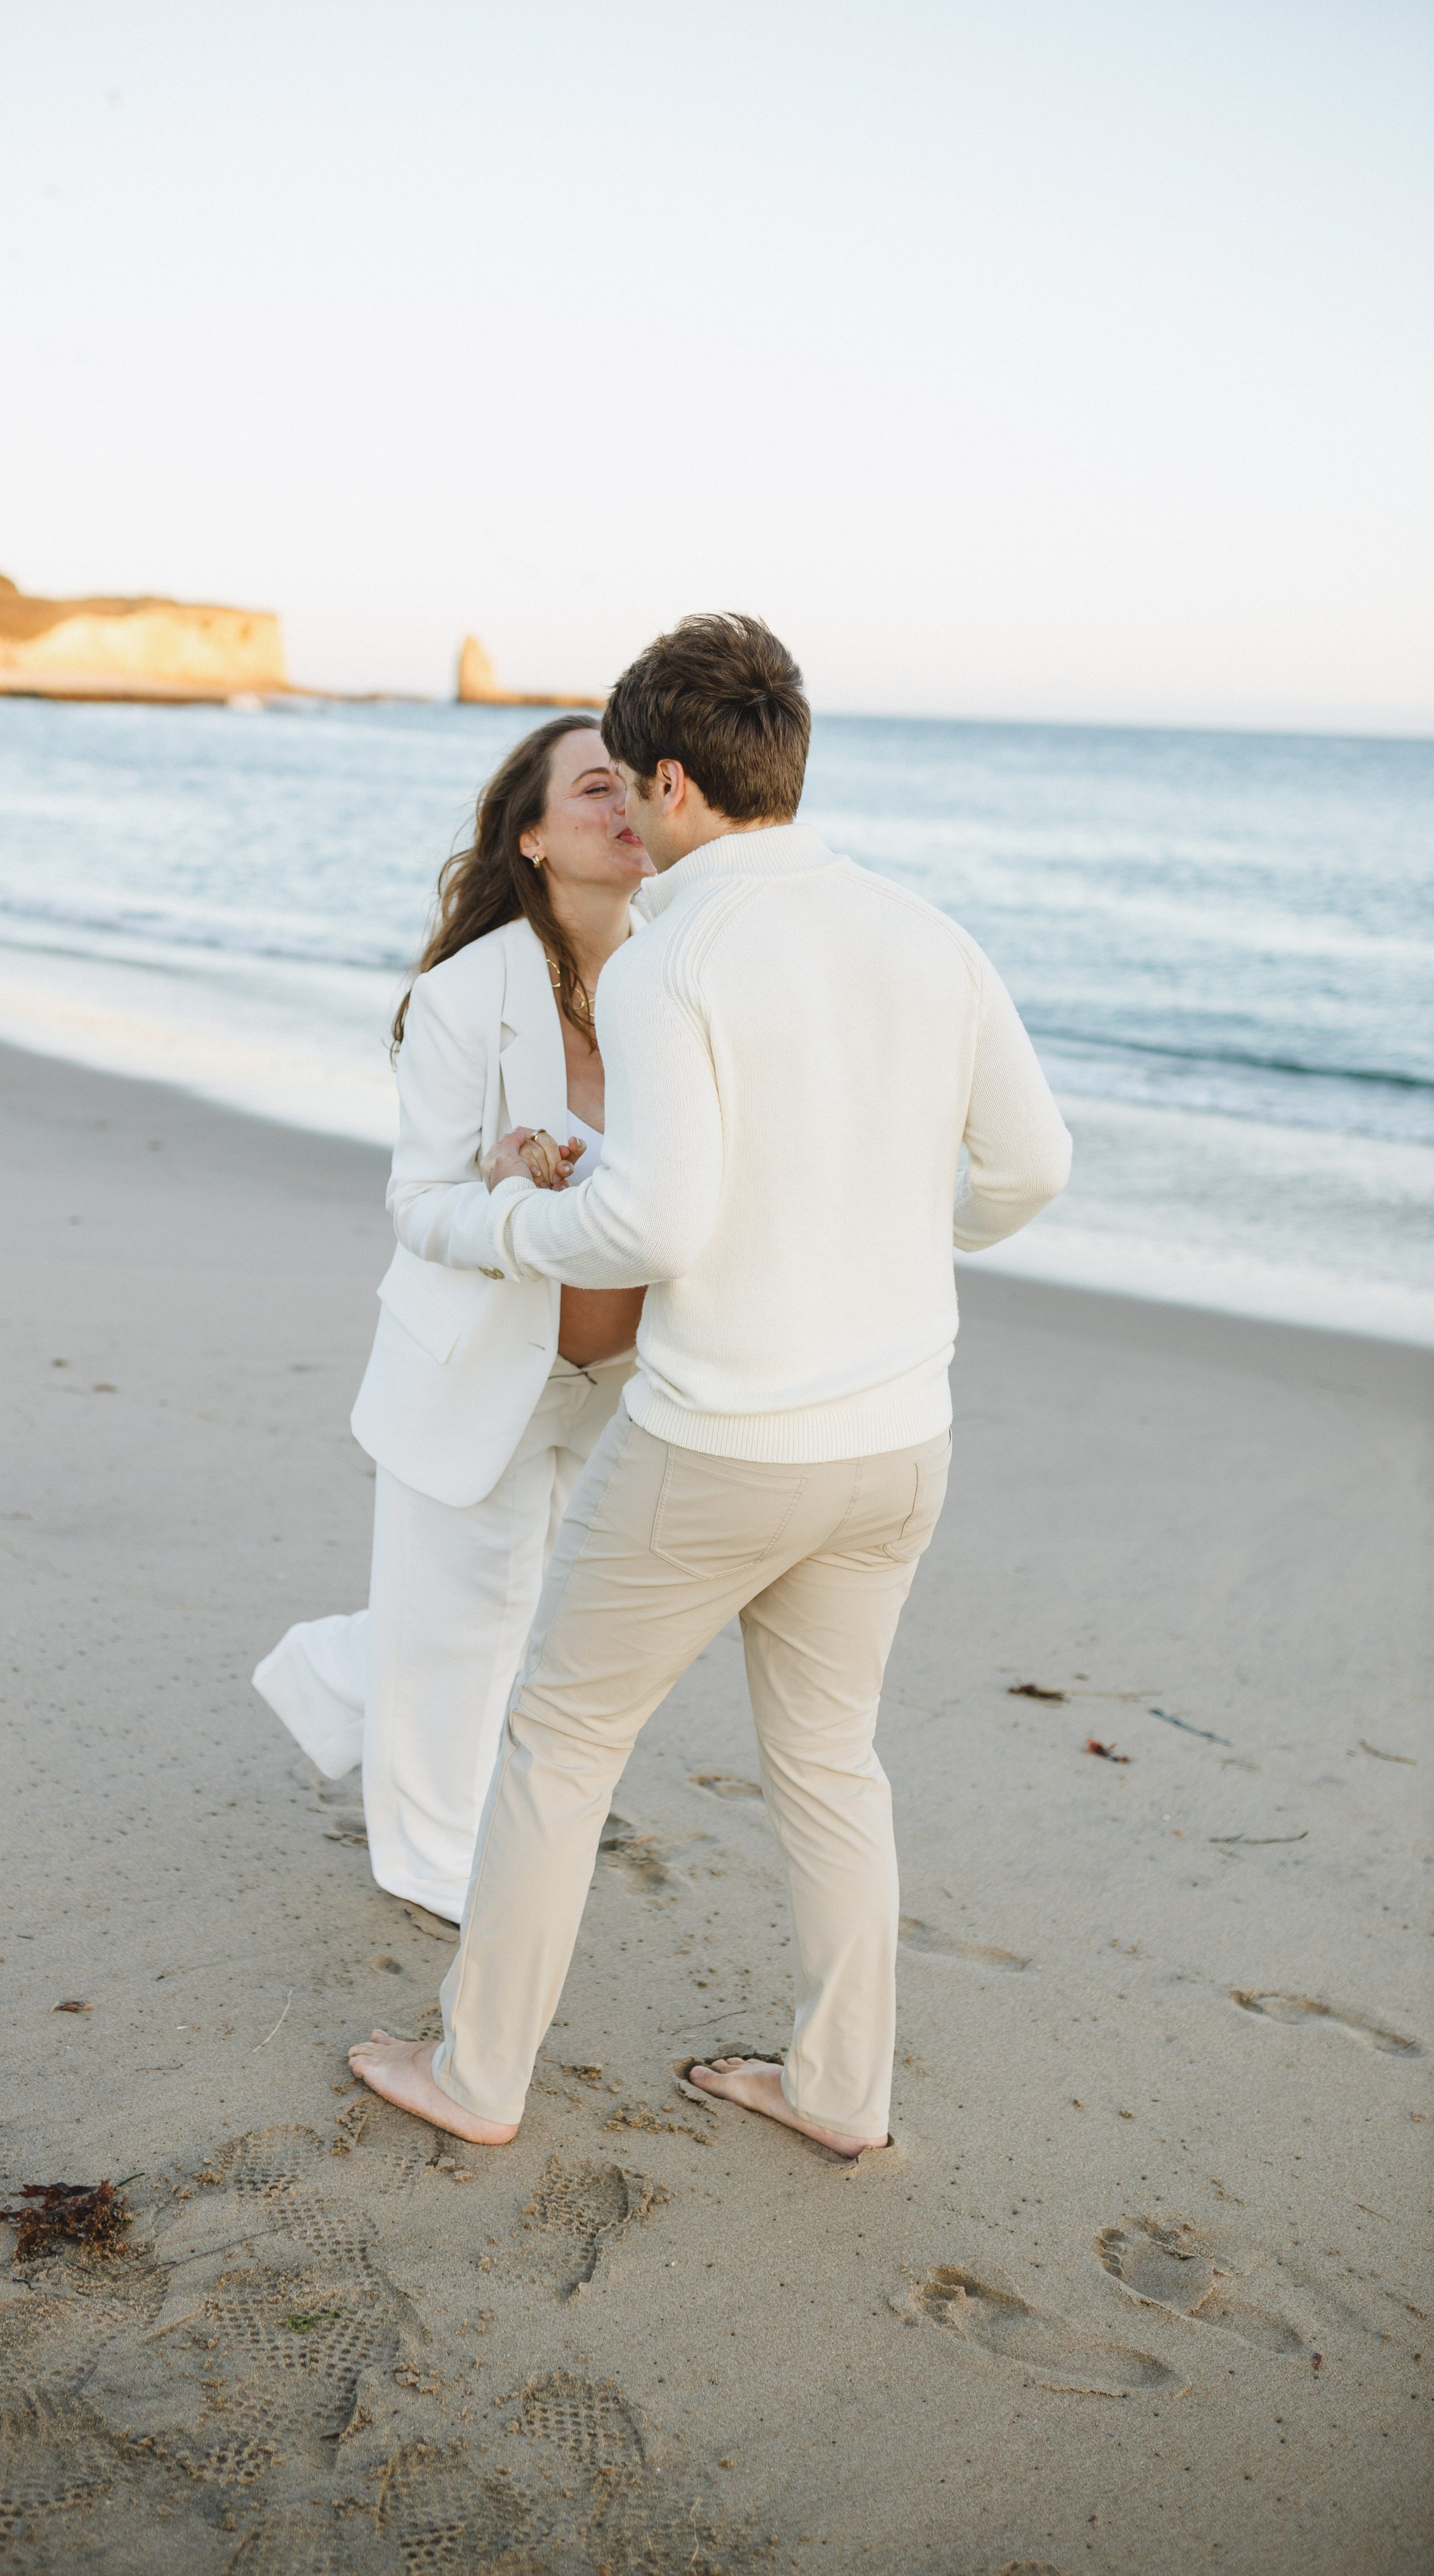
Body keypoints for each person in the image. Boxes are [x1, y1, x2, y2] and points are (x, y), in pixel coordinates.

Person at [349, 612, 1072, 2157]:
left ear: (672, 782)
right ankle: (836, 2093)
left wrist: (528, 1211)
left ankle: (474, 2079)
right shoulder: (924, 932)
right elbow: (1029, 1167)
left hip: (723, 1442)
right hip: (898, 1440)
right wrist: (890, 1241)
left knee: (558, 1743)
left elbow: (660, 1224)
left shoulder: (675, 952)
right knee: (827, 1765)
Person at [253, 714, 651, 1921]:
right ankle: (429, 1865)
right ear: (532, 837)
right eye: (593, 787)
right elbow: (417, 1205)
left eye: (635, 780)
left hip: (627, 1374)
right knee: (460, 1633)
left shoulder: (678, 971)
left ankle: (335, 1664)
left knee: (529, 1616)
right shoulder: (463, 996)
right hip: (478, 1359)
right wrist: (507, 1200)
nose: (624, 802)